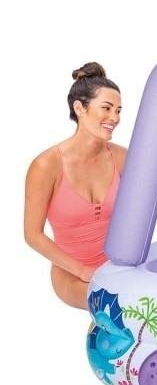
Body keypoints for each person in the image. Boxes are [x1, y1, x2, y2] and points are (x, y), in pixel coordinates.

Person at [24, 62, 126, 310]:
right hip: (73, 274)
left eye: (118, 110)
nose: (114, 118)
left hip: (120, 269)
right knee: (115, 307)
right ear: (79, 108)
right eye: (106, 108)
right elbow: (32, 235)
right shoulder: (46, 165)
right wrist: (83, 271)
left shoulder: (123, 157)